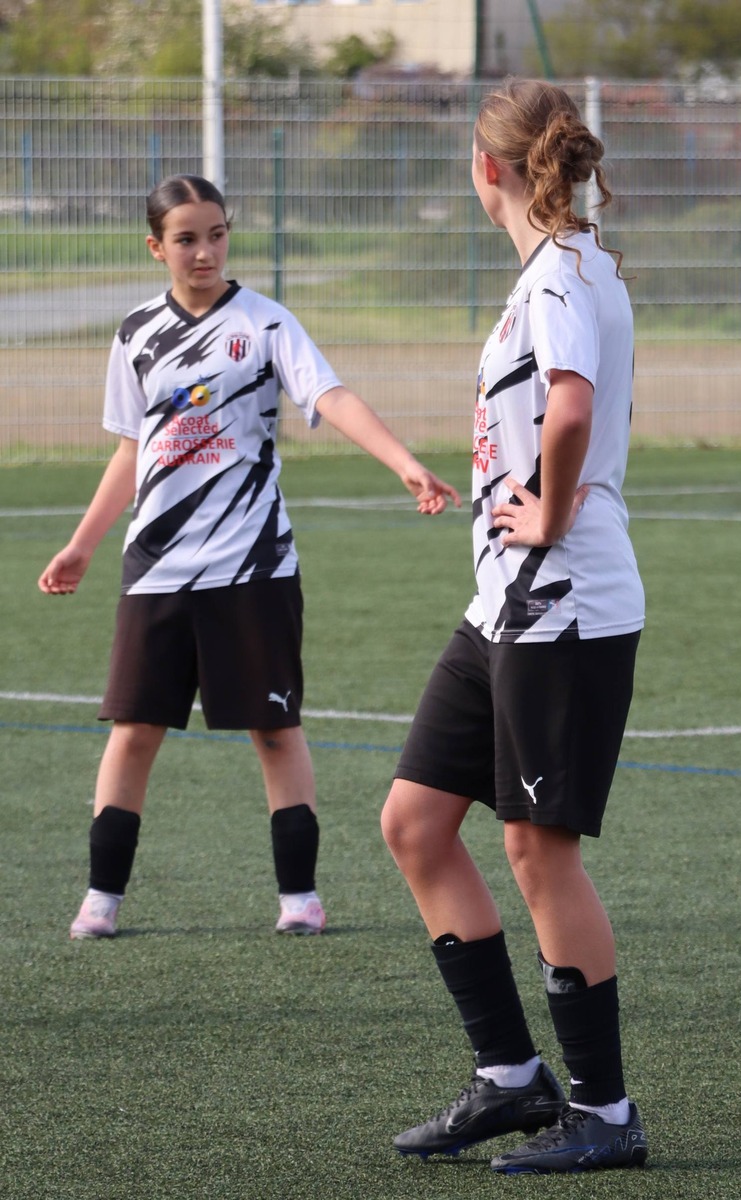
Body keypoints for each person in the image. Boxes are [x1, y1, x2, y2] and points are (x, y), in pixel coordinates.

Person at [39, 173, 459, 942]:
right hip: (157, 568)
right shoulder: (136, 334)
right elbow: (131, 449)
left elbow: (330, 396)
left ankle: (300, 897)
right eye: (186, 239)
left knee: (274, 730)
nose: (204, 252)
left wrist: (403, 462)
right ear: (156, 247)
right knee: (134, 729)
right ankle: (102, 898)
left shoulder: (265, 323)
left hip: (253, 565)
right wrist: (82, 544)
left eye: (217, 235)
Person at [381, 79, 648, 1174]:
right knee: (414, 823)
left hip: (564, 604)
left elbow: (571, 407)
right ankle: (508, 1077)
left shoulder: (565, 273)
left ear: (484, 167)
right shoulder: (557, 270)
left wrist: (548, 508)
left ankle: (605, 1113)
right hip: (500, 606)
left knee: (538, 850)